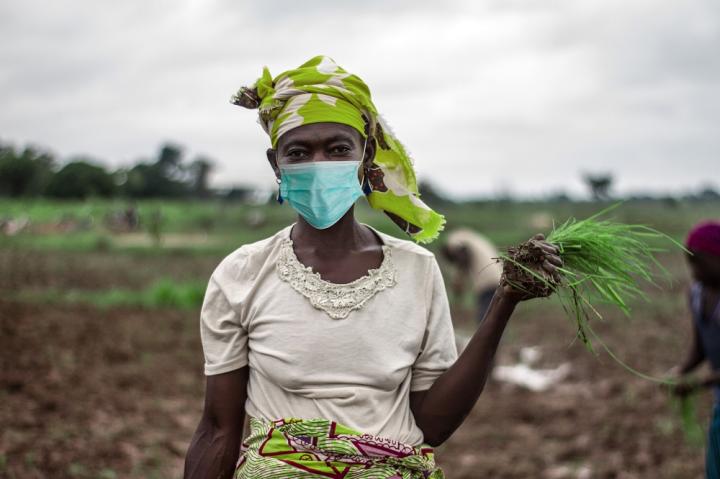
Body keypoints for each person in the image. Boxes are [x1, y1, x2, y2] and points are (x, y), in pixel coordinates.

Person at [183, 56, 562, 479]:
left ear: (365, 159)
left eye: (338, 148)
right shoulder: (242, 274)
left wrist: (505, 302)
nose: (320, 163)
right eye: (299, 152)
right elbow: (218, 428)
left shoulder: (416, 270)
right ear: (277, 166)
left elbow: (433, 424)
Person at [670, 221, 720, 478]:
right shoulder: (697, 294)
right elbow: (700, 349)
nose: (693, 270)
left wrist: (699, 382)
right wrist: (680, 371)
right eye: (690, 261)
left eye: (699, 261)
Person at [441, 228, 503, 323]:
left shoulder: (453, 240)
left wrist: (459, 278)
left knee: (485, 318)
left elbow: (463, 257)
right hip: (499, 276)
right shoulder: (468, 237)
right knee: (494, 317)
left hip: (487, 280)